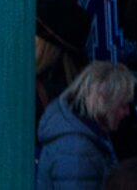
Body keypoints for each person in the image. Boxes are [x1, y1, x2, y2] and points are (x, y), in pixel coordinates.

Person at [36, 62, 131, 190]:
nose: (127, 112)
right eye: (122, 105)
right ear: (105, 102)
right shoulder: (77, 149)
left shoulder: (85, 135)